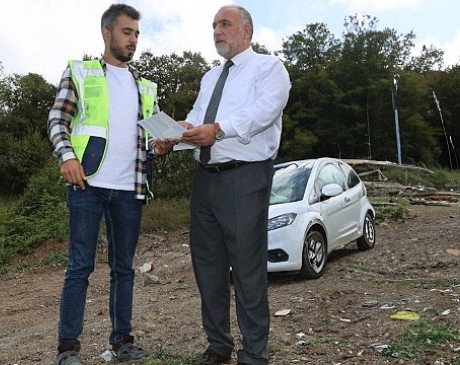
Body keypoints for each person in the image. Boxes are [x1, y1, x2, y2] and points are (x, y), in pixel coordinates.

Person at [46, 4, 172, 365]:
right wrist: (67, 157)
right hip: (87, 184)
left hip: (130, 190)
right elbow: (58, 119)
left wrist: (160, 146)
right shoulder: (81, 72)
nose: (132, 40)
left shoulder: (146, 88)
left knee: (124, 269)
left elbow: (151, 141)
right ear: (107, 33)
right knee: (80, 267)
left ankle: (122, 343)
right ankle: (67, 350)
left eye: (136, 34)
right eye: (126, 32)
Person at [177, 5, 291, 365]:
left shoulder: (269, 68)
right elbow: (197, 119)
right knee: (207, 267)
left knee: (247, 269)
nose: (217, 31)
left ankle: (254, 354)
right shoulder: (209, 77)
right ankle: (218, 346)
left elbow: (263, 111)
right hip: (205, 181)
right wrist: (173, 136)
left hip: (245, 177)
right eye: (213, 25)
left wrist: (219, 129)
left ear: (247, 31)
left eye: (224, 24)